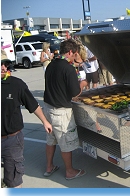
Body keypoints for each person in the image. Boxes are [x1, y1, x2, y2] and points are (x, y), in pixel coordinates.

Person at [1, 53, 52, 188]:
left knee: (13, 180)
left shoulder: (16, 84)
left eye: (5, 64)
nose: (2, 67)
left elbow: (33, 104)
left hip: (11, 140)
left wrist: (45, 121)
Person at [43, 39, 86, 180]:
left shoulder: (50, 65)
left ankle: (49, 167)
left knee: (51, 140)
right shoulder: (68, 68)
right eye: (74, 54)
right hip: (61, 112)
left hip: (48, 108)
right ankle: (70, 171)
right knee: (66, 143)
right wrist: (83, 84)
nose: (75, 57)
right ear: (70, 52)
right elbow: (74, 93)